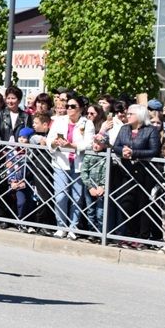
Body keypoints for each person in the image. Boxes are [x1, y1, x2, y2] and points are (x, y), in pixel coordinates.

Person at [109, 104, 161, 244]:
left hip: (144, 172)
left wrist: (134, 153)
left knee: (142, 204)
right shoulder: (124, 128)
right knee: (126, 203)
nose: (127, 115)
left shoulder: (151, 130)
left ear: (139, 116)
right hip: (126, 170)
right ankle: (128, 233)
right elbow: (116, 146)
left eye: (131, 113)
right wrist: (123, 152)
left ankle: (141, 237)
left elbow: (154, 150)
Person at [46, 94, 94, 238]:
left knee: (77, 197)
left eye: (72, 106)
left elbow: (88, 143)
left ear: (80, 109)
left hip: (79, 164)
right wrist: (55, 143)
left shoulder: (87, 123)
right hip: (61, 162)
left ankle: (73, 227)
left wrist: (71, 145)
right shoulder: (59, 120)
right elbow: (50, 140)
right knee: (60, 196)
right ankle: (61, 226)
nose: (69, 109)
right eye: (67, 106)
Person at [80, 133, 110, 237]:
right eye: (94, 142)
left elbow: (107, 171)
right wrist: (90, 187)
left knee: (100, 212)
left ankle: (101, 233)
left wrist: (103, 186)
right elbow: (83, 172)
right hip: (90, 188)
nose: (95, 145)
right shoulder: (88, 154)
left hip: (101, 188)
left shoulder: (107, 155)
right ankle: (91, 232)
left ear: (105, 145)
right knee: (90, 210)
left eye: (99, 143)